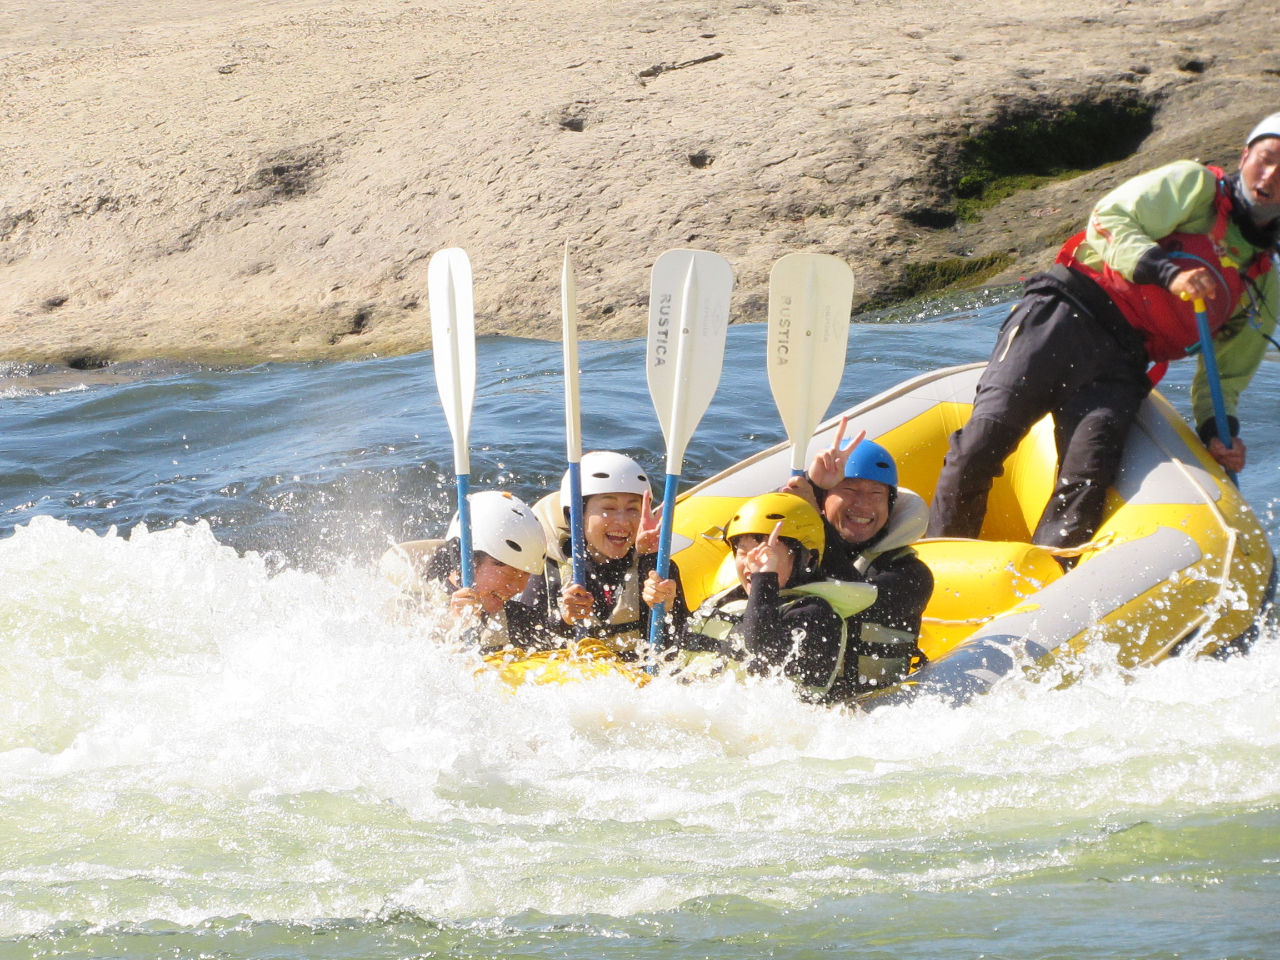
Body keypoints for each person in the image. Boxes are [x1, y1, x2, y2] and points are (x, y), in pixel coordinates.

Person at [928, 112, 1280, 550]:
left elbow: (1225, 378)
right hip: (1063, 314)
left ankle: (1043, 596)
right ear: (1245, 155)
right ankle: (936, 569)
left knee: (1084, 490)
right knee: (978, 448)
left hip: (1122, 365)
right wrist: (1165, 271)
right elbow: (1110, 218)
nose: (1270, 176)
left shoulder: (1262, 283)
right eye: (1265, 159)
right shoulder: (1194, 187)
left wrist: (1217, 433)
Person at [678, 492, 877, 701]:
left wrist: (764, 577)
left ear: (806, 560)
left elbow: (762, 654)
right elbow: (674, 655)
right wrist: (666, 601)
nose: (752, 563)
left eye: (766, 553)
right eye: (742, 552)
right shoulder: (725, 601)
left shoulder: (814, 612)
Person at [785, 421, 935, 695]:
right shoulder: (790, 553)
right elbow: (749, 534)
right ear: (822, 500)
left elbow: (854, 596)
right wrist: (810, 481)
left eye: (876, 494)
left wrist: (815, 519)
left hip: (868, 711)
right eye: (849, 490)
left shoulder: (910, 575)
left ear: (890, 506)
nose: (863, 505)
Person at [522, 451, 687, 658]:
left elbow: (681, 648)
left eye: (633, 509)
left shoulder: (657, 569)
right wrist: (563, 620)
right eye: (608, 508)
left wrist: (666, 609)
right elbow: (524, 645)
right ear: (576, 514)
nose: (624, 522)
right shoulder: (547, 572)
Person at [378, 490, 551, 652]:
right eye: (510, 573)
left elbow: (555, 639)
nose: (517, 588)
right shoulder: (407, 608)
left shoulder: (515, 617)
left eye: (525, 575)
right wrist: (453, 624)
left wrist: (568, 619)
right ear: (469, 560)